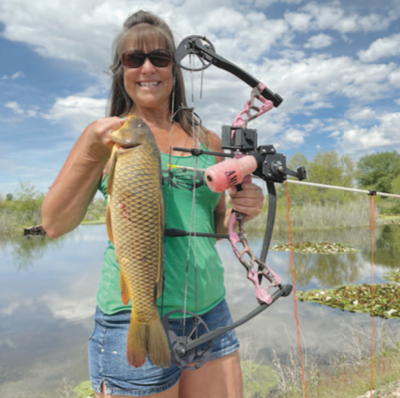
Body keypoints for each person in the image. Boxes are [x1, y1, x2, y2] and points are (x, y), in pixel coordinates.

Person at [41, 10, 264, 398]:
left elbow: (214, 226)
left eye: (160, 58)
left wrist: (242, 209)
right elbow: (55, 223)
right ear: (121, 70)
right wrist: (93, 151)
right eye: (133, 59)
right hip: (133, 311)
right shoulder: (105, 136)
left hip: (209, 307)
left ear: (173, 68)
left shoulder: (207, 140)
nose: (147, 68)